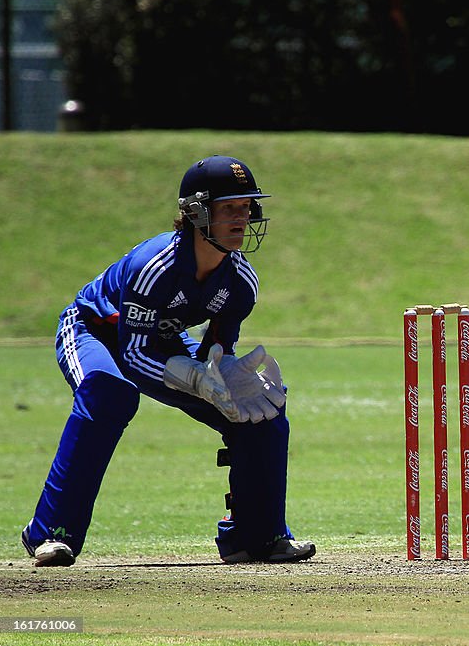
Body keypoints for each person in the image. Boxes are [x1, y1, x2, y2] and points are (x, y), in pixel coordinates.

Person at [22, 155, 316, 567]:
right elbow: (131, 353)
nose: (241, 218)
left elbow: (214, 351)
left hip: (157, 337)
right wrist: (193, 379)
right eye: (229, 208)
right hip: (94, 328)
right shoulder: (154, 266)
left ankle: (258, 538)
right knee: (110, 395)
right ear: (196, 212)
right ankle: (51, 534)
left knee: (258, 413)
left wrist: (222, 374)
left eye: (246, 207)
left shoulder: (241, 283)